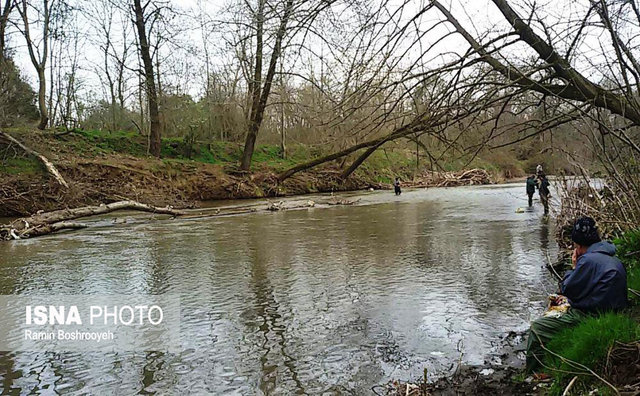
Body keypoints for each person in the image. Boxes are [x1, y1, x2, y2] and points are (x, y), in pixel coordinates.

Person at [525, 217, 628, 373]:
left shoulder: (587, 260)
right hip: (612, 312)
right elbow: (588, 290)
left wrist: (574, 267)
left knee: (537, 328)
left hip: (593, 316)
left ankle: (534, 372)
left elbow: (567, 288)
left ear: (578, 245)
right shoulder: (610, 257)